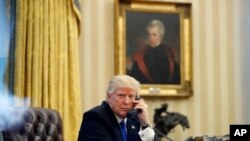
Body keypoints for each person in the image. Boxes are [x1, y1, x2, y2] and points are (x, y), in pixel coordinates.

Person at [77, 74, 158, 141]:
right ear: (109, 97)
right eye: (121, 96)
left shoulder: (134, 119)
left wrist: (145, 124)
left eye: (131, 96)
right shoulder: (95, 118)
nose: (126, 102)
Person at [129, 19, 180, 84]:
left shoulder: (169, 53)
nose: (151, 37)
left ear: (161, 35)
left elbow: (175, 76)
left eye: (154, 35)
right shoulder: (141, 53)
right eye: (149, 35)